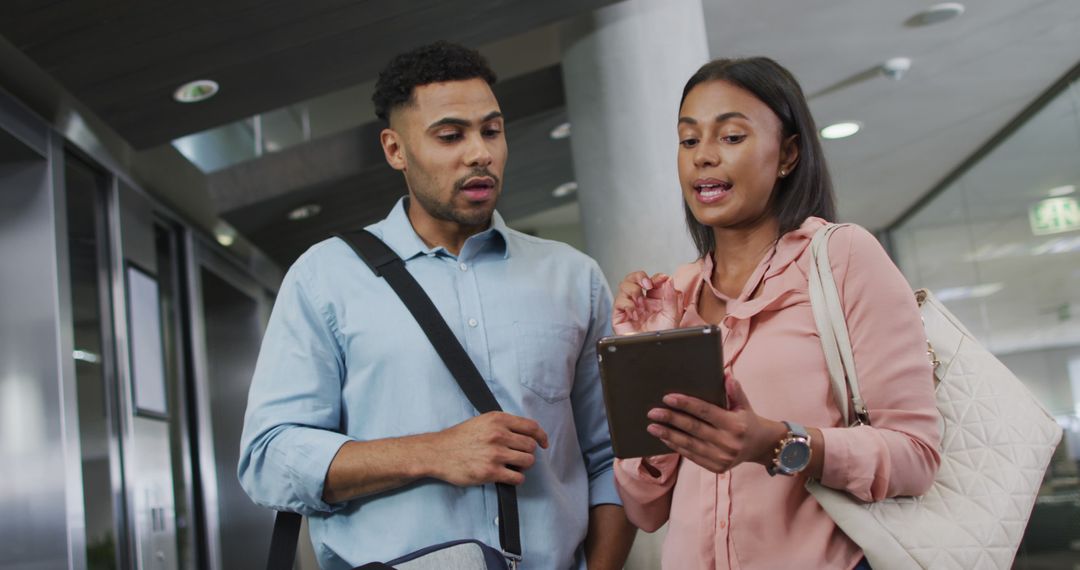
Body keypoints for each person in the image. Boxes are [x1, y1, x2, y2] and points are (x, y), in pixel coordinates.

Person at [238, 41, 635, 570]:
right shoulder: (325, 277)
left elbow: (613, 457)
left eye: (491, 130)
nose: (480, 153)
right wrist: (432, 452)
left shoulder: (573, 277)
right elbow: (268, 459)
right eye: (451, 135)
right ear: (395, 149)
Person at [610, 57, 941, 569]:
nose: (704, 158)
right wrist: (642, 362)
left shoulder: (840, 258)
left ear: (787, 153)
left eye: (732, 137)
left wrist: (779, 442)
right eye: (689, 140)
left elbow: (915, 456)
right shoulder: (674, 296)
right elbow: (645, 509)